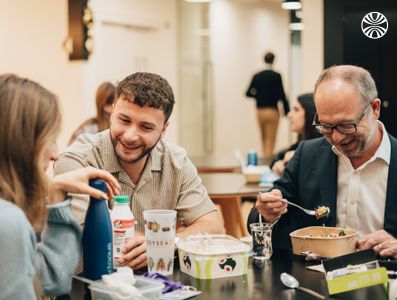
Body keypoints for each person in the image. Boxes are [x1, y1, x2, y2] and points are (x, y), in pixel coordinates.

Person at [54, 72, 225, 270]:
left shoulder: (177, 162)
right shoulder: (77, 160)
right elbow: (87, 234)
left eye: (145, 127)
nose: (130, 136)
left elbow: (213, 226)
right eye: (124, 120)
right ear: (112, 113)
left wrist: (169, 241)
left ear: (163, 130)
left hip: (155, 286)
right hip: (86, 288)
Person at [247, 65, 397, 258]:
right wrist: (266, 214)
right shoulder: (307, 155)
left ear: (375, 108)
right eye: (326, 127)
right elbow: (258, 220)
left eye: (346, 125)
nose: (336, 138)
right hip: (316, 280)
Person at [0, 74, 120, 299]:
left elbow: (47, 278)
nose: (56, 153)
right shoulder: (8, 222)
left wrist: (56, 192)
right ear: (22, 144)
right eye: (51, 138)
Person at [246, 51, 290, 157]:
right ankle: (267, 162)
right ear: (273, 60)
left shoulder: (257, 75)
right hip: (272, 111)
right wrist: (286, 111)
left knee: (263, 138)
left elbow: (248, 93)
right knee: (270, 139)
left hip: (260, 111)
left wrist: (258, 96)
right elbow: (282, 94)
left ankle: (265, 159)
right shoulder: (276, 76)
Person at [271, 93, 320, 176]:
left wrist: (300, 157)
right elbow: (278, 159)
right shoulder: (301, 143)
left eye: (296, 110)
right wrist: (279, 164)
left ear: (310, 113)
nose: (289, 115)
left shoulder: (322, 147)